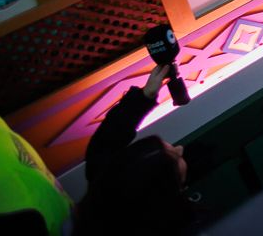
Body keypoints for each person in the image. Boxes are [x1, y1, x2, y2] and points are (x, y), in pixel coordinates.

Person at [76, 65, 200, 234]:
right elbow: (104, 146)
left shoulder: (104, 185)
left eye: (174, 156)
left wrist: (145, 96)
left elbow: (105, 144)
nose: (180, 149)